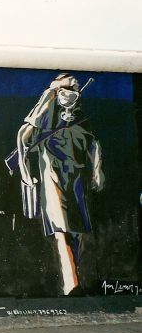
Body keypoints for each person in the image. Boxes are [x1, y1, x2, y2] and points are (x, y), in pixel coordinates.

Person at [16, 73, 104, 295]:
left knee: (76, 231)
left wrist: (97, 170)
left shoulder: (80, 118)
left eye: (71, 91)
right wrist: (25, 173)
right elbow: (22, 138)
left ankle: (73, 278)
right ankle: (71, 283)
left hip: (76, 180)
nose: (68, 95)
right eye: (62, 91)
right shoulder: (44, 115)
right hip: (51, 178)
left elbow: (93, 143)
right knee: (60, 229)